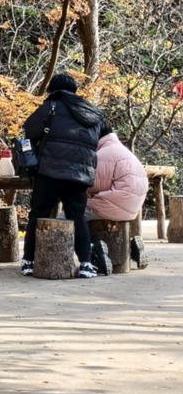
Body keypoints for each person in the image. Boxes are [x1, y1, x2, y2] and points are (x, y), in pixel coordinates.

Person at [19, 72, 108, 279]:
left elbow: (29, 130)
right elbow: (100, 138)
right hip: (80, 174)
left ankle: (29, 261)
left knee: (39, 213)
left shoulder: (51, 107)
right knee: (77, 217)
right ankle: (86, 263)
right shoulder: (93, 113)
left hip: (49, 171)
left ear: (53, 89)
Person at [86, 125, 149, 267]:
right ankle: (131, 247)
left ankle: (92, 250)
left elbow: (91, 183)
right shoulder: (122, 150)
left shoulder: (103, 154)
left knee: (70, 216)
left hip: (114, 205)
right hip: (132, 208)